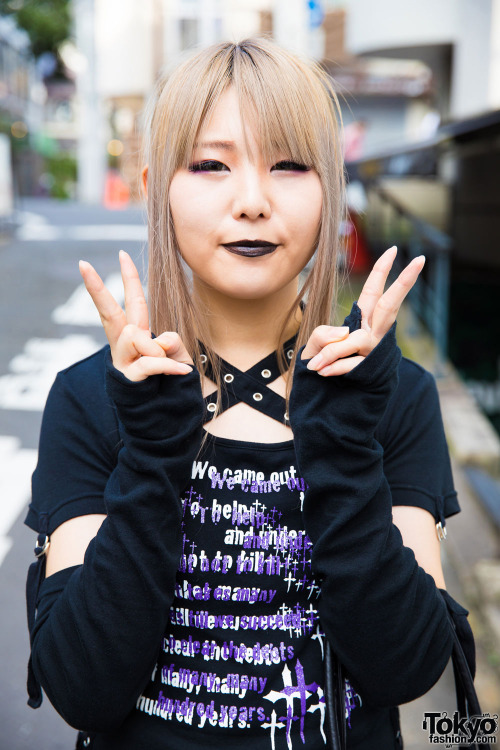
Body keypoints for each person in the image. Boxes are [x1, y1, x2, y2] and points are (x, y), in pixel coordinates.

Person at [24, 37, 468, 750]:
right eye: (210, 165)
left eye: (290, 166)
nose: (253, 202)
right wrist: (152, 450)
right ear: (154, 191)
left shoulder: (391, 397)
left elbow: (407, 667)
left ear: (332, 191)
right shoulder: (95, 397)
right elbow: (80, 687)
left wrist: (345, 445)